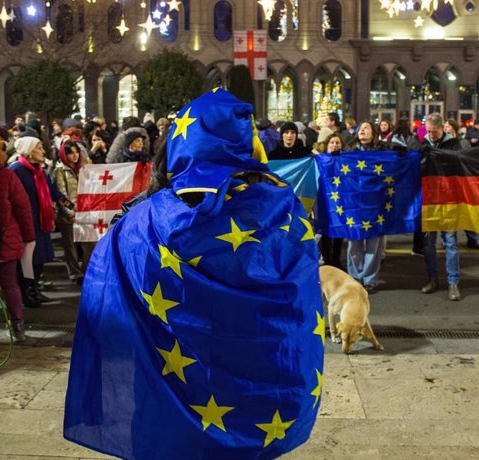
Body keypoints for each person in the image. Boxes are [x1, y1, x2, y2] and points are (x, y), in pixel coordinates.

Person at [64, 88, 323, 458]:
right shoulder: (282, 211)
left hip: (166, 394)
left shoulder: (141, 221)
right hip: (253, 394)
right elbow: (299, 295)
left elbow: (107, 306)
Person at [0, 133, 35, 343]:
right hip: (7, 240)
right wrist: (28, 237)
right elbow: (23, 209)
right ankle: (18, 331)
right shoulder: (7, 176)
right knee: (11, 286)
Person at [9, 136, 64, 307]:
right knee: (27, 261)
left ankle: (35, 290)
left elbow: (53, 192)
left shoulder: (40, 171)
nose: (43, 151)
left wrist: (70, 205)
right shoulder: (15, 170)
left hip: (41, 222)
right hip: (25, 223)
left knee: (38, 260)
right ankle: (28, 294)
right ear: (30, 151)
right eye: (39, 148)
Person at [418, 113, 463, 301]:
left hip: (449, 199)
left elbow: (459, 164)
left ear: (442, 129)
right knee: (429, 244)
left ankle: (453, 282)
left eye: (434, 132)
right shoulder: (423, 144)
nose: (431, 135)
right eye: (428, 131)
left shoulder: (454, 144)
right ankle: (433, 279)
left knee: (451, 242)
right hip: (429, 199)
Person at [345, 121, 388, 294]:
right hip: (354, 204)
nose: (362, 130)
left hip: (375, 203)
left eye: (366, 128)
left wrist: (400, 154)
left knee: (373, 244)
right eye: (360, 128)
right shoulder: (349, 151)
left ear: (373, 133)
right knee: (354, 242)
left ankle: (369, 279)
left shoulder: (382, 151)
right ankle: (355, 278)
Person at [53, 140, 85, 283]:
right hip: (68, 215)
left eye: (76, 152)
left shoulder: (82, 168)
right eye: (71, 153)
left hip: (84, 212)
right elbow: (61, 195)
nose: (75, 155)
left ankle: (85, 270)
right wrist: (71, 212)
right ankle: (75, 273)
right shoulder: (60, 170)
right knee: (70, 245)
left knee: (85, 243)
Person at [316, 133, 346, 269]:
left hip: (340, 198)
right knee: (324, 229)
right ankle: (327, 259)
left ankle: (336, 259)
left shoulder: (346, 160)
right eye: (332, 142)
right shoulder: (319, 160)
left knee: (340, 228)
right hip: (323, 198)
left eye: (338, 143)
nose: (335, 145)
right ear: (327, 145)